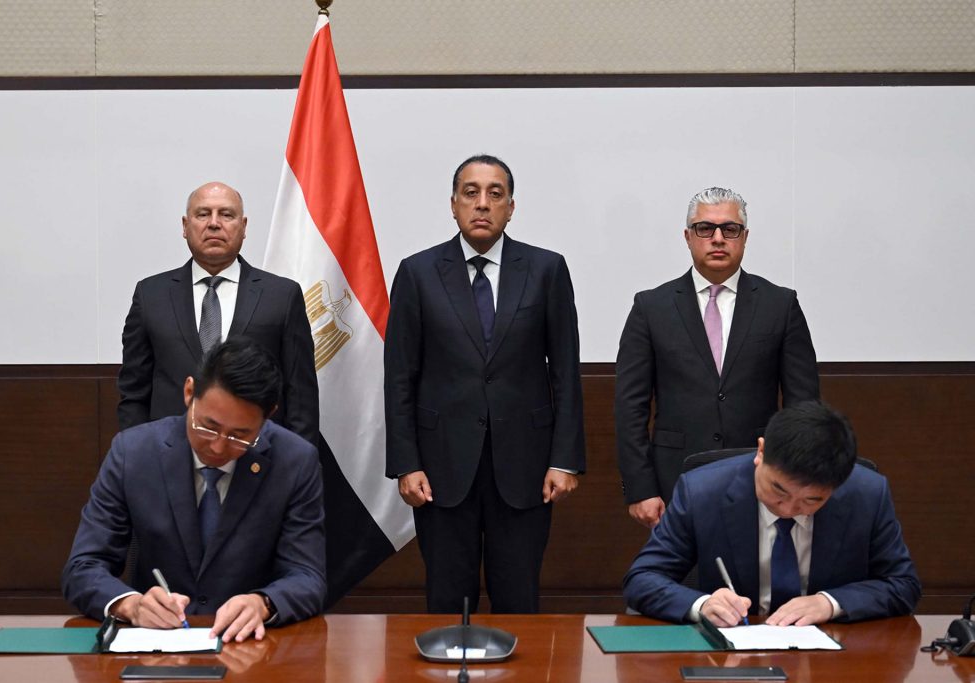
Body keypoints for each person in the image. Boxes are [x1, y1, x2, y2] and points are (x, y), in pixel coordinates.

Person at [384, 154, 586, 614]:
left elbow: (565, 372)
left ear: (511, 207)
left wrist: (565, 460)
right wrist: (405, 464)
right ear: (453, 204)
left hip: (526, 467)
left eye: (495, 194)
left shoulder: (546, 269)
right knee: (448, 601)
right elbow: (399, 377)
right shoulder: (418, 272)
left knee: (518, 600)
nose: (482, 203)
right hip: (440, 468)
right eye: (471, 192)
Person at [63, 336, 326, 642]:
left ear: (267, 417)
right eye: (208, 427)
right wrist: (131, 605)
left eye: (240, 436)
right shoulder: (133, 452)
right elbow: (83, 567)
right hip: (155, 644)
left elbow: (307, 576)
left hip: (250, 644)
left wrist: (263, 603)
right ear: (189, 392)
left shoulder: (294, 461)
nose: (218, 447)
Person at [615, 187, 820, 529]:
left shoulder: (780, 305)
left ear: (745, 237)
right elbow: (629, 408)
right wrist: (640, 488)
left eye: (730, 229)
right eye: (705, 228)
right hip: (674, 480)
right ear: (688, 237)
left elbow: (803, 405)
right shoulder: (651, 307)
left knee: (756, 565)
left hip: (762, 478)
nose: (718, 238)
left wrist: (796, 477)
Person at [624, 401, 920, 626]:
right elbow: (643, 578)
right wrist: (702, 605)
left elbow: (903, 584)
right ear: (761, 452)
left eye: (811, 500)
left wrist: (830, 603)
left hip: (832, 653)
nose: (788, 509)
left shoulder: (867, 494)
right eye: (778, 490)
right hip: (733, 657)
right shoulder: (702, 492)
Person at [117, 181, 319, 446]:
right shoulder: (150, 295)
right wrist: (140, 455)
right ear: (185, 226)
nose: (214, 223)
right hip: (169, 455)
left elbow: (301, 396)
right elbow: (133, 393)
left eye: (226, 214)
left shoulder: (282, 296)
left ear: (243, 227)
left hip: (257, 455)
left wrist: (298, 462)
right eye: (203, 214)